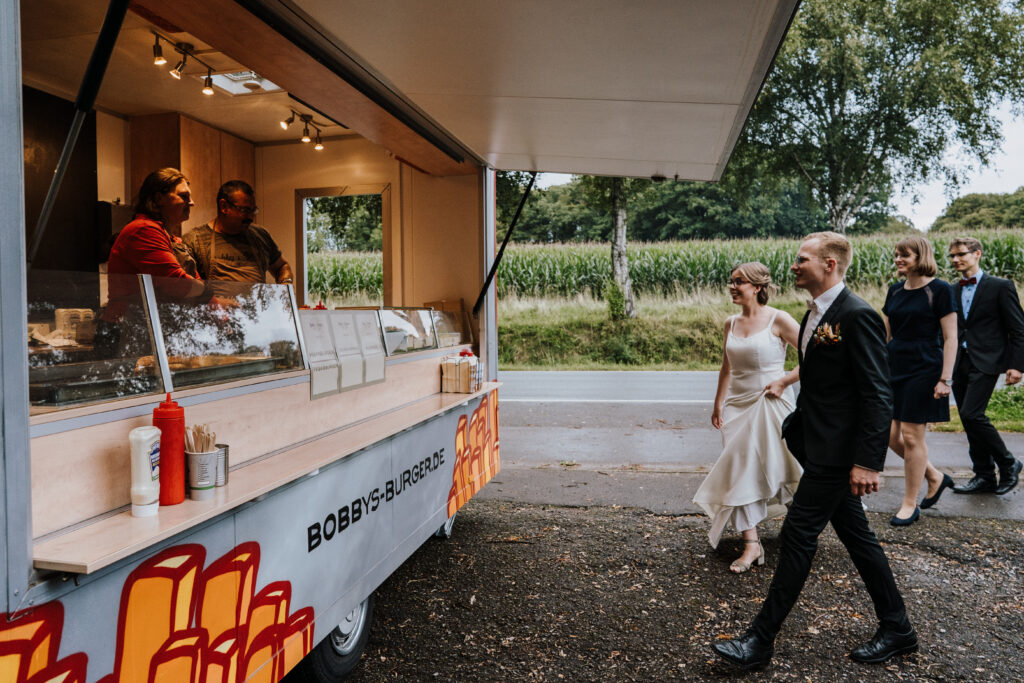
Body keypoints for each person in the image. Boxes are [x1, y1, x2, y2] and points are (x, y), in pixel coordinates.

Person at [713, 232, 916, 670]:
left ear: (829, 264)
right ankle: (898, 627)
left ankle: (759, 641)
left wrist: (867, 462)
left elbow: (878, 394)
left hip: (838, 455)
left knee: (798, 536)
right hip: (817, 445)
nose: (793, 266)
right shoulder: (815, 315)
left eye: (801, 259)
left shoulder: (856, 315)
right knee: (859, 541)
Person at [693, 262, 803, 574]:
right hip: (736, 407)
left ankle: (800, 527)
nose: (732, 286)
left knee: (784, 467)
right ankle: (752, 542)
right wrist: (718, 404)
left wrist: (784, 381)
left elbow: (817, 355)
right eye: (731, 281)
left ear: (757, 287)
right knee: (739, 471)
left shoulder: (778, 319)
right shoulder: (730, 323)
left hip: (771, 402)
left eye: (738, 281)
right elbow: (726, 367)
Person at [881, 236, 958, 526]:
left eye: (905, 255)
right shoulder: (894, 290)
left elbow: (951, 337)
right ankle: (935, 475)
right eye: (897, 254)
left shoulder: (940, 290)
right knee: (889, 435)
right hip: (894, 364)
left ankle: (909, 503)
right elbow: (885, 334)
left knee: (913, 436)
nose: (899, 259)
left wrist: (945, 379)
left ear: (920, 256)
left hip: (925, 366)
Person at [948, 236, 1024, 496]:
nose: (956, 260)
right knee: (968, 420)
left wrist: (1017, 366)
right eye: (952, 256)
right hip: (958, 362)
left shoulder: (1001, 286)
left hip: (988, 360)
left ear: (977, 253)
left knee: (971, 414)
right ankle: (984, 476)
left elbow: (1018, 329)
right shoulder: (952, 289)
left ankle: (1008, 462)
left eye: (961, 254)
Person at [101, 168, 207, 353]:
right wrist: (210, 295)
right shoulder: (143, 230)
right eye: (183, 196)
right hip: (131, 331)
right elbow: (177, 283)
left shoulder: (171, 238)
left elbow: (194, 283)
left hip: (157, 330)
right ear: (158, 199)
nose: (191, 202)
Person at [183, 180, 293, 296]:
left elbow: (281, 266)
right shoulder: (194, 240)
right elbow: (185, 289)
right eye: (244, 210)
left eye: (253, 210)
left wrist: (286, 283)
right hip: (218, 313)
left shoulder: (261, 235)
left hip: (258, 313)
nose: (250, 217)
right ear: (224, 206)